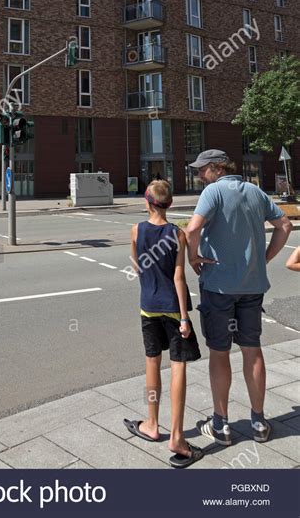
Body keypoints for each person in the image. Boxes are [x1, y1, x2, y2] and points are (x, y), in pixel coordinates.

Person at [185, 150, 293, 446]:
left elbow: (192, 228)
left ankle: (220, 425)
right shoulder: (255, 192)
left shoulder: (214, 192)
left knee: (220, 353)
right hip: (252, 287)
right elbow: (285, 225)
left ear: (217, 169)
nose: (198, 176)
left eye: (201, 170)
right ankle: (259, 421)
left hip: (218, 288)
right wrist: (264, 258)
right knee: (252, 350)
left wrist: (193, 256)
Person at [124, 179, 203, 468]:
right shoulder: (177, 234)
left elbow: (138, 264)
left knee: (152, 363)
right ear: (169, 204)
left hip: (148, 308)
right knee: (178, 366)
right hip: (171, 309)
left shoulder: (136, 230)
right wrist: (184, 318)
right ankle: (178, 437)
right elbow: (179, 278)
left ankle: (153, 424)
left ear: (147, 202)